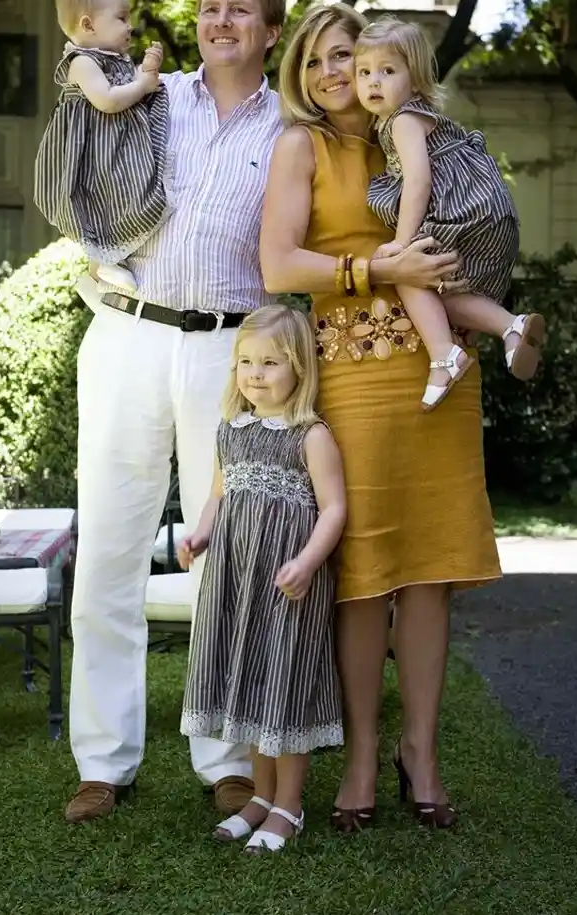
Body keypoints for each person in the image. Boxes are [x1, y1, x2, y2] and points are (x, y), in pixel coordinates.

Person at [260, 2, 502, 835]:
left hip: (439, 370)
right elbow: (278, 263)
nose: (335, 73)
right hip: (354, 372)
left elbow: (474, 220)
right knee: (363, 573)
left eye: (347, 56)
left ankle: (420, 753)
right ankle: (362, 755)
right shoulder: (303, 146)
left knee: (431, 569)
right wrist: (374, 267)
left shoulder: (415, 129)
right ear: (301, 73)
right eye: (319, 60)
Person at [64, 0, 287, 825]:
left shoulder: (290, 124)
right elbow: (77, 160)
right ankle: (103, 762)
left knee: (223, 554)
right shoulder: (148, 95)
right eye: (209, 9)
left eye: (240, 11)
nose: (219, 21)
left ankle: (226, 760)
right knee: (109, 549)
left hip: (232, 350)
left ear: (271, 32)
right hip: (126, 332)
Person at [178, 305, 346, 852]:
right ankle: (261, 797)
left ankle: (289, 806)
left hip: (285, 583)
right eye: (246, 361)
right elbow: (218, 496)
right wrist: (201, 535)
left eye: (271, 362)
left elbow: (334, 509)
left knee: (284, 683)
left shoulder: (310, 435)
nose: (255, 373)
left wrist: (308, 562)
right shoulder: (230, 430)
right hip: (236, 581)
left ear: (299, 367)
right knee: (249, 681)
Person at [354, 16, 545, 412]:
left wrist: (402, 242)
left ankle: (443, 354)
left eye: (387, 71)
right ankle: (510, 326)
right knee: (445, 292)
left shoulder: (403, 121)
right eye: (364, 72)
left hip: (463, 212)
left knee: (409, 275)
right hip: (493, 215)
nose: (374, 82)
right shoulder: (421, 115)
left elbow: (418, 181)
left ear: (415, 80)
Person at [34, 0, 170, 294]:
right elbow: (107, 100)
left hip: (119, 145)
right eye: (121, 18)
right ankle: (102, 262)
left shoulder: (114, 61)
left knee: (131, 195)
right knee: (104, 199)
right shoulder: (82, 62)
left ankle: (111, 260)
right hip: (94, 152)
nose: (130, 26)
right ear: (88, 24)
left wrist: (147, 72)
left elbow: (134, 88)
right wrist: (141, 86)